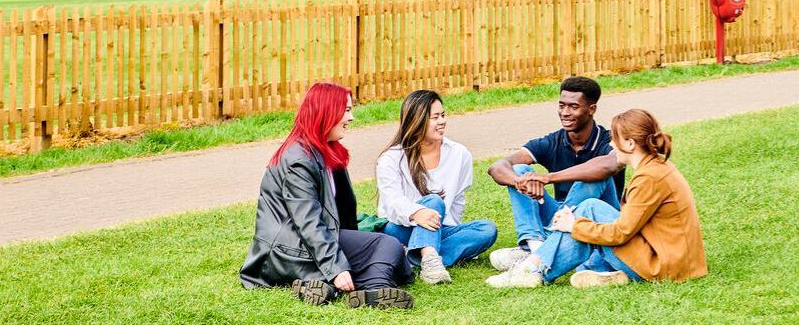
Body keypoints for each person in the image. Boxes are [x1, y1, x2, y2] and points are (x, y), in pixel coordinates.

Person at [487, 109, 709, 287]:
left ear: (631, 144)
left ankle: (532, 269)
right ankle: (609, 273)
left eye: (615, 138)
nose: (611, 145)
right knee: (585, 255)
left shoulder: (650, 177)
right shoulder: (657, 167)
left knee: (590, 208)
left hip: (665, 266)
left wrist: (575, 226)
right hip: (676, 261)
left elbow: (621, 233)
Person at [240, 82, 414, 309]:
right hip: (288, 249)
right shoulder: (299, 159)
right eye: (347, 110)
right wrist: (337, 267)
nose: (351, 118)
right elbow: (308, 221)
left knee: (390, 250)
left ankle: (324, 287)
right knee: (388, 246)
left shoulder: (326, 150)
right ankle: (375, 288)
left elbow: (337, 214)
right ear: (326, 112)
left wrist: (357, 242)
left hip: (310, 242)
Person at [483, 77, 624, 270]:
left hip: (600, 219)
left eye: (573, 107)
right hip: (559, 219)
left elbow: (609, 165)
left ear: (591, 109)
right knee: (518, 170)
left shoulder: (609, 140)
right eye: (561, 105)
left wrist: (548, 177)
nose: (565, 113)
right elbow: (497, 167)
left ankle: (540, 252)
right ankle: (536, 246)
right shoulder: (553, 141)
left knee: (591, 177)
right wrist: (520, 182)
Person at [374, 90, 498, 285]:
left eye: (443, 115)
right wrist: (417, 213)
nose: (442, 121)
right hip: (398, 229)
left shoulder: (459, 154)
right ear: (417, 121)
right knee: (433, 202)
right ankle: (431, 260)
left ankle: (414, 257)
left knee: (487, 230)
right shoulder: (391, 158)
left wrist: (442, 228)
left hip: (438, 228)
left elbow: (458, 200)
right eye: (435, 117)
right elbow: (393, 202)